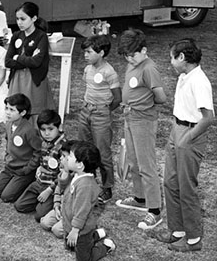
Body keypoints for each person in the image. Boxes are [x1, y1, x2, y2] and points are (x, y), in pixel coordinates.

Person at [153, 38, 214, 253]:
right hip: (178, 128)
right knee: (170, 183)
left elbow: (208, 118)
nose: (170, 61)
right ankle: (177, 230)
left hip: (190, 133)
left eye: (172, 57)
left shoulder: (199, 81)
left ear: (182, 57)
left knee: (186, 188)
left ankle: (194, 238)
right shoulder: (183, 76)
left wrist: (188, 137)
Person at [115, 28, 166, 230]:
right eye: (126, 56)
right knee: (134, 161)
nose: (129, 59)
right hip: (130, 116)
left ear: (144, 50)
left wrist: (143, 104)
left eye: (133, 54)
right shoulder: (132, 65)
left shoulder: (149, 68)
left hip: (143, 120)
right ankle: (140, 197)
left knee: (147, 165)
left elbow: (161, 97)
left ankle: (155, 210)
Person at [77, 34, 122, 204]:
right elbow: (88, 86)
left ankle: (107, 187)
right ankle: (87, 181)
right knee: (83, 148)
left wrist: (104, 111)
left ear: (101, 53)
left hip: (101, 114)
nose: (85, 55)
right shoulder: (88, 69)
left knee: (102, 152)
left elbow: (117, 97)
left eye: (89, 52)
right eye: (85, 52)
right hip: (85, 111)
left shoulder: (109, 72)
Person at [62, 141, 116, 261]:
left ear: (80, 165)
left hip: (81, 230)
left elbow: (82, 211)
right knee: (70, 246)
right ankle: (96, 235)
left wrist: (75, 230)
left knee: (84, 258)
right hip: (71, 225)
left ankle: (105, 247)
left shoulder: (85, 186)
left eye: (70, 156)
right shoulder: (77, 175)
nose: (67, 159)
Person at [5, 2, 54, 122]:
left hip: (33, 79)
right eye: (17, 19)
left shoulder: (41, 36)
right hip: (17, 79)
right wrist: (28, 59)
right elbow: (7, 61)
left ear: (34, 18)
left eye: (23, 19)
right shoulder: (16, 35)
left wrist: (18, 57)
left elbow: (36, 62)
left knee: (34, 111)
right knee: (15, 109)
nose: (19, 22)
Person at [14, 109, 65, 220]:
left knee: (39, 216)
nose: (46, 133)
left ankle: (52, 204)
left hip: (53, 188)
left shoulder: (63, 148)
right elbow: (43, 160)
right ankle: (40, 203)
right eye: (43, 130)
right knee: (19, 206)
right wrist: (39, 167)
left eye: (50, 129)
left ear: (59, 127)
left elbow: (64, 175)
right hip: (40, 182)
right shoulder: (43, 143)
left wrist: (49, 190)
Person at [0, 94, 42, 202]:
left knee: (6, 197)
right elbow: (8, 142)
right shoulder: (9, 124)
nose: (8, 112)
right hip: (10, 167)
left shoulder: (29, 130)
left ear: (22, 112)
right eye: (7, 108)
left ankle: (28, 181)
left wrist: (28, 169)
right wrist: (7, 158)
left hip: (23, 170)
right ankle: (12, 182)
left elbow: (38, 151)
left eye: (12, 110)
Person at [40, 139, 76, 239]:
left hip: (72, 213)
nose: (60, 158)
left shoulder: (77, 178)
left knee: (57, 230)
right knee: (44, 223)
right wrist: (56, 207)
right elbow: (58, 191)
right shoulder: (63, 172)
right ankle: (61, 221)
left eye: (64, 156)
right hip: (62, 208)